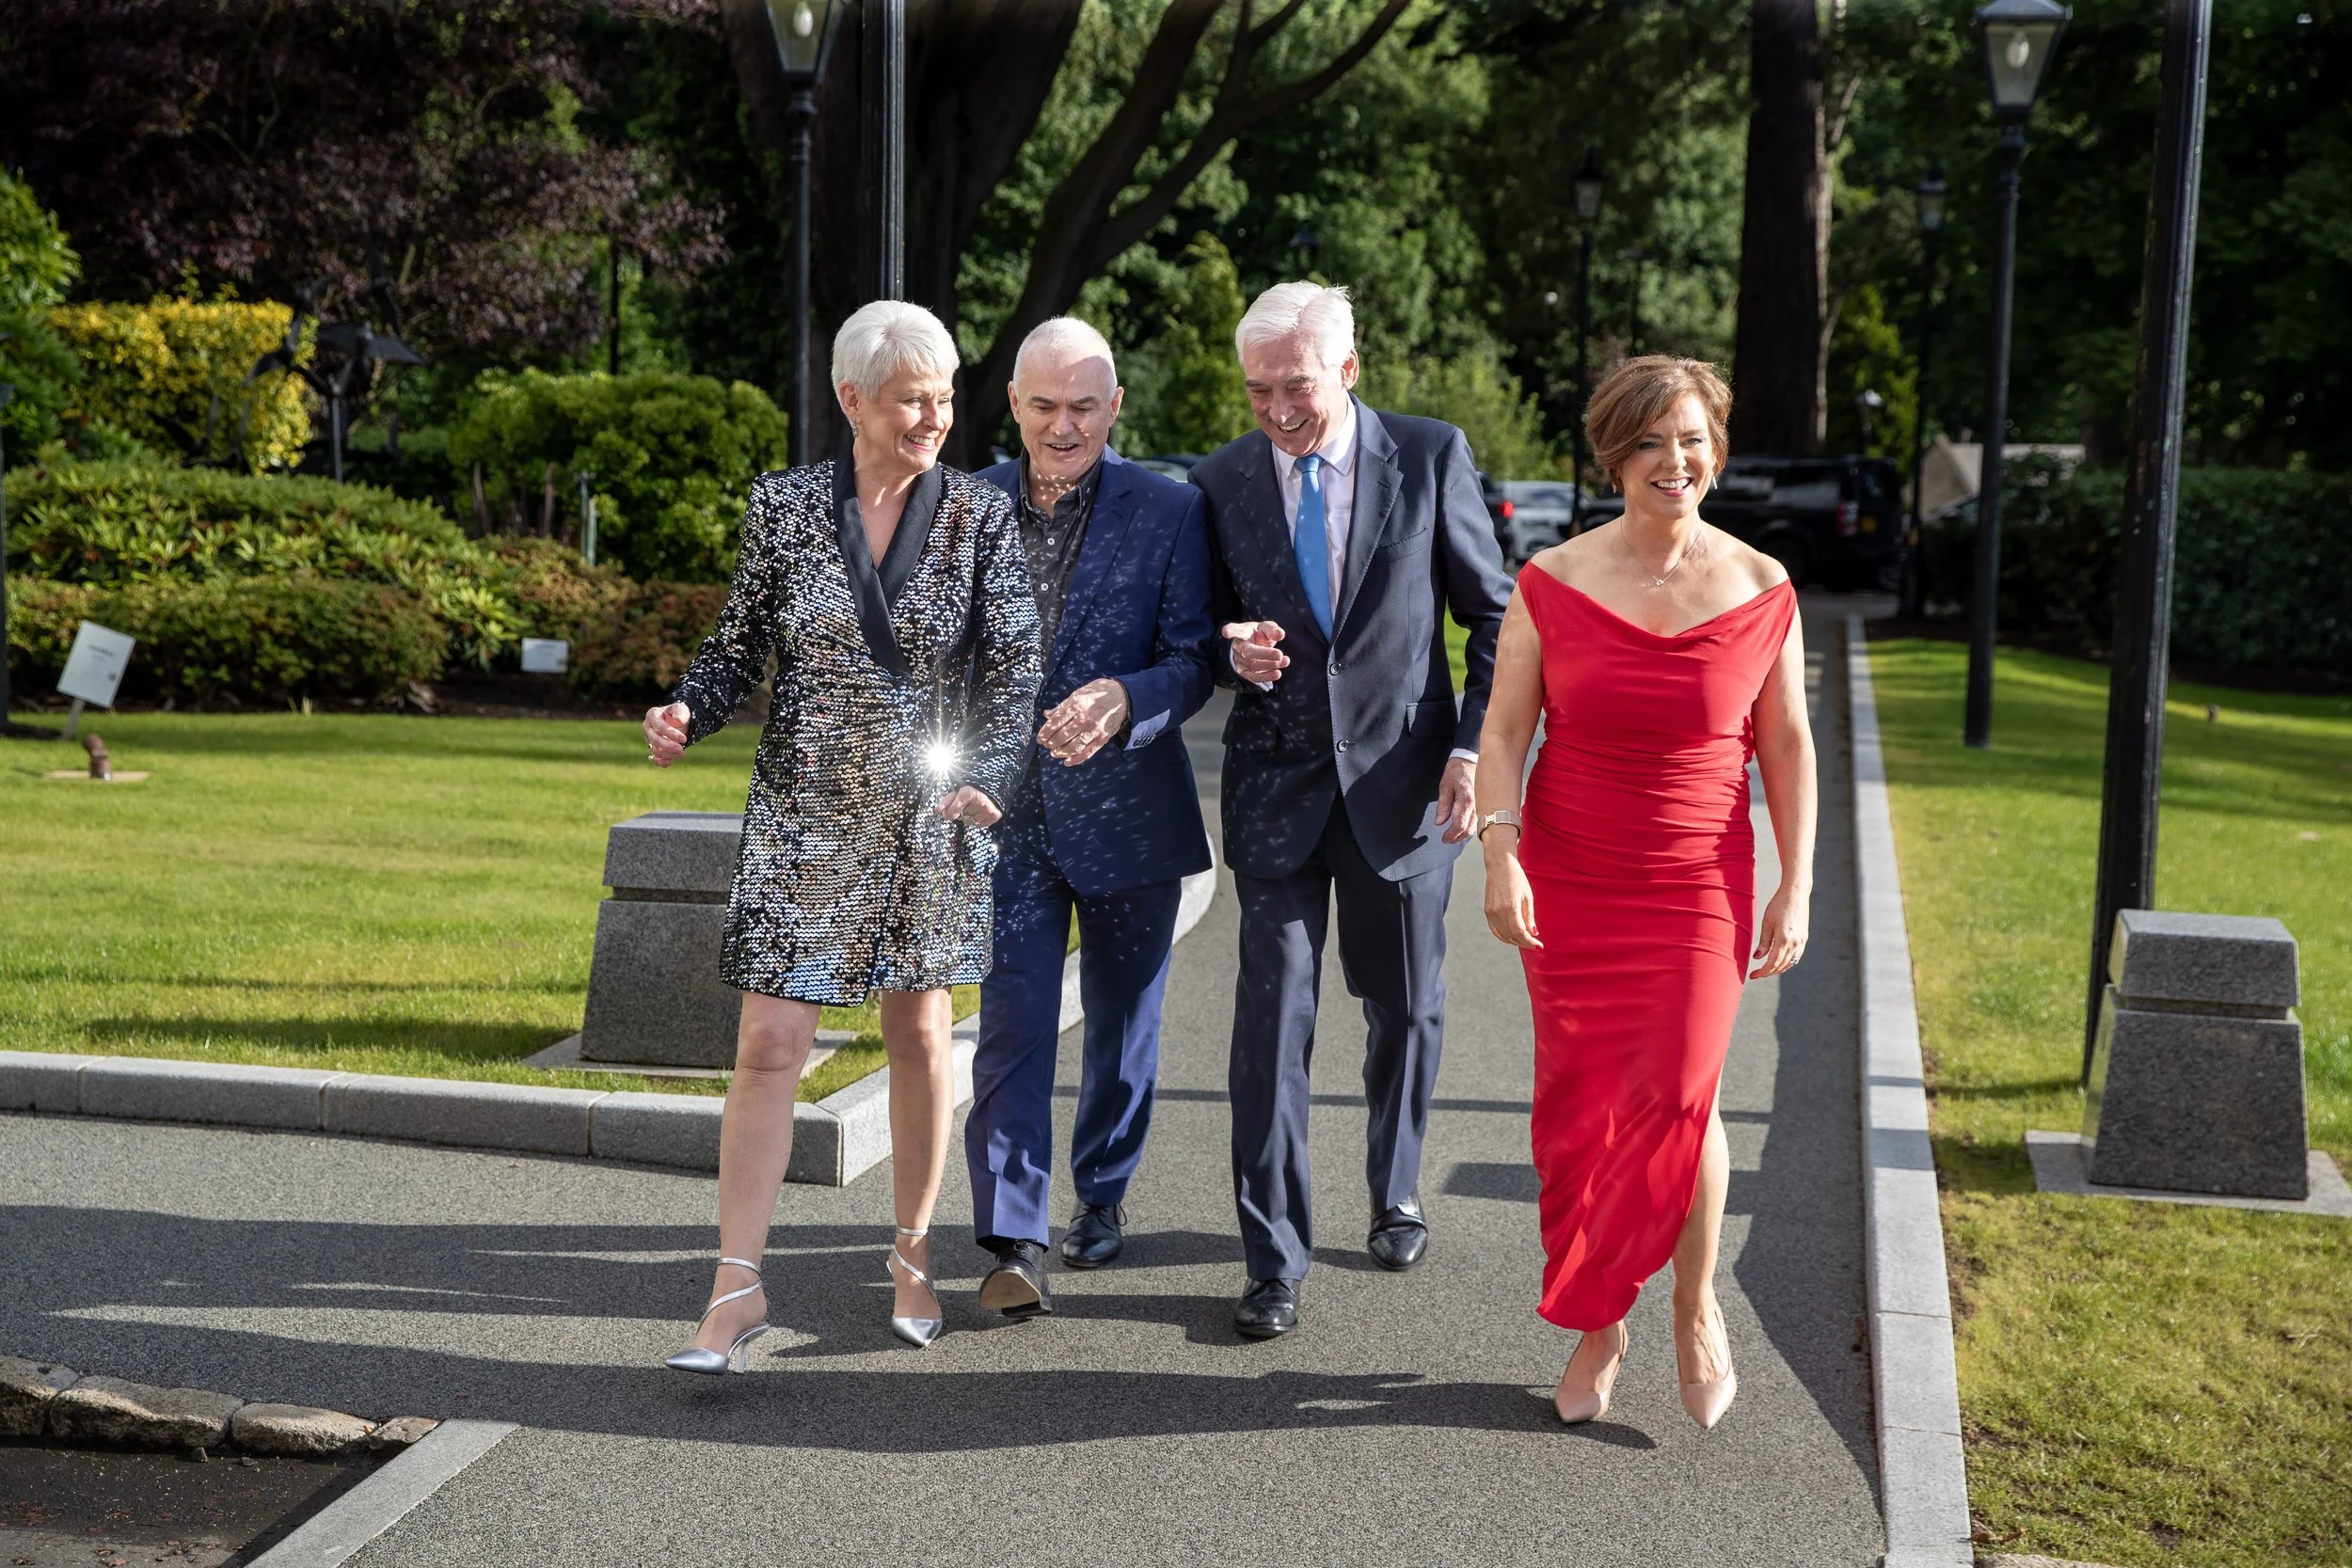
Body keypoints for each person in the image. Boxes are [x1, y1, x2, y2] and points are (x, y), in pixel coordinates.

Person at [644, 299, 1041, 1370]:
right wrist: (689, 705)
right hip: (803, 814)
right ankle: (734, 1286)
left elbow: (1013, 668)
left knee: (918, 1033)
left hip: (931, 814)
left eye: (947, 394)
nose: (935, 414)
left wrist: (996, 776)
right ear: (851, 398)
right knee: (769, 1042)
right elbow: (738, 644)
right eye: (914, 395)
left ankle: (912, 1251)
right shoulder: (782, 509)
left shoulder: (978, 515)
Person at [1473, 355, 1817, 1430]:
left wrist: (1796, 885)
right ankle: (1600, 1318)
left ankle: (1690, 1301)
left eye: (1692, 439)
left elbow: (1788, 745)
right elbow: (1501, 730)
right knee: (1583, 1111)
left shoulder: (1762, 587)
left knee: (1680, 1093)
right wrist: (1499, 853)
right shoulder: (1551, 582)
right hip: (1574, 873)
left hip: (1697, 882)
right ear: (1613, 457)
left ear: (1715, 447)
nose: (1676, 461)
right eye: (1650, 442)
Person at [1190, 282, 1514, 1339]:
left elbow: (1494, 617)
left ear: (1349, 368)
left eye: (1296, 385)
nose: (1277, 408)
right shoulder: (1220, 478)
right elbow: (1189, 628)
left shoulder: (1427, 454)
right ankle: (1271, 1257)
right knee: (1269, 1028)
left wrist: (1471, 746)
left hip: (1406, 790)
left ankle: (1396, 1185)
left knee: (1405, 1008)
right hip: (1275, 793)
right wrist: (1223, 651)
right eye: (1258, 389)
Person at [961, 317, 1216, 1317]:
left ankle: (1100, 1191)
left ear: (1114, 408)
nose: (1061, 426)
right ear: (1014, 406)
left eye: (1082, 406)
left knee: (1123, 1026)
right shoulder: (962, 505)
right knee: (1012, 1022)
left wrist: (1124, 696)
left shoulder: (1170, 509)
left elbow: (1192, 658)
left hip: (1131, 814)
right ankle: (1015, 1236)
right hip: (1005, 816)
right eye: (1042, 405)